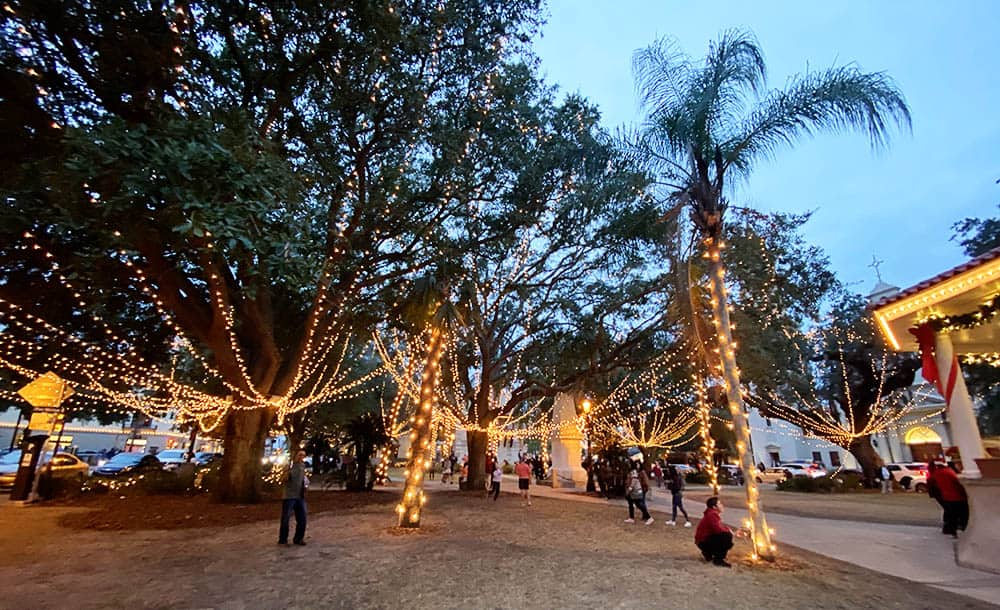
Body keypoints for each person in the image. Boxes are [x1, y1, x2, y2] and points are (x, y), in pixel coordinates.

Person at [927, 461, 969, 537]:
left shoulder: (936, 473)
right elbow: (957, 483)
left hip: (946, 496)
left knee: (951, 514)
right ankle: (961, 527)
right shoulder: (949, 472)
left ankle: (951, 530)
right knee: (962, 513)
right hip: (957, 496)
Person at [278, 450, 308, 546]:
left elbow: (303, 479)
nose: (301, 457)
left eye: (303, 455)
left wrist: (305, 485)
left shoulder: (303, 466)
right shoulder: (290, 466)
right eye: (300, 455)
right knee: (286, 518)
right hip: (289, 496)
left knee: (302, 518)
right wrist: (286, 472)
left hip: (300, 495)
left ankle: (298, 538)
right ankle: (283, 539)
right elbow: (283, 479)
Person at [694, 497, 734, 567]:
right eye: (719, 504)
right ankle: (718, 560)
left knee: (726, 536)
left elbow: (719, 526)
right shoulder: (712, 515)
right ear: (714, 507)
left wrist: (729, 530)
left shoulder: (711, 514)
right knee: (727, 536)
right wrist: (730, 532)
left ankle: (708, 553)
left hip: (702, 541)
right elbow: (718, 530)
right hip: (703, 541)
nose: (722, 505)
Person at [624, 460, 653, 525]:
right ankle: (632, 518)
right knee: (632, 504)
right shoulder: (633, 471)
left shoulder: (638, 472)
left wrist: (630, 489)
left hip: (637, 491)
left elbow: (634, 481)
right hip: (634, 490)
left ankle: (648, 517)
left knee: (639, 504)